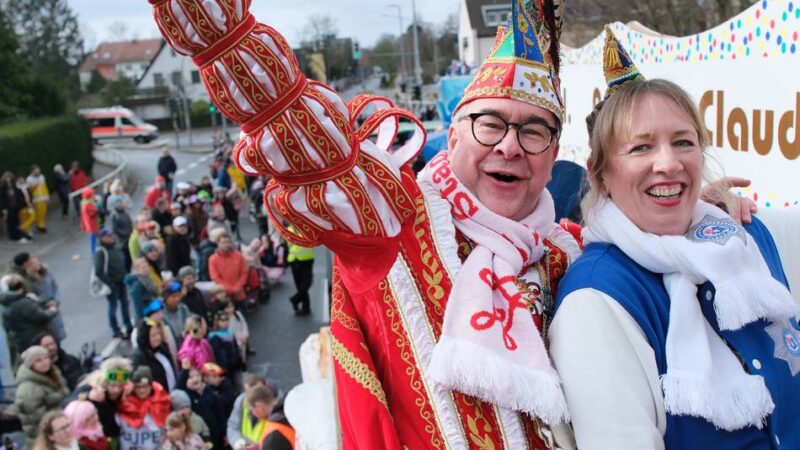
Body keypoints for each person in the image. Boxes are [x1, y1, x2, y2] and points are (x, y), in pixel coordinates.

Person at [147, 1, 581, 447]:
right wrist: (224, 37)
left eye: (534, 131)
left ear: (553, 157)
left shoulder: (574, 254)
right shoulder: (397, 217)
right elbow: (308, 146)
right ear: (453, 138)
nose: (510, 146)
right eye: (490, 124)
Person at [549, 32, 800, 449]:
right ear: (599, 173)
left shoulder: (745, 237)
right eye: (640, 148)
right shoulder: (595, 301)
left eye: (683, 142)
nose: (668, 163)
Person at [14, 345, 70, 447]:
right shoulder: (28, 389)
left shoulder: (53, 373)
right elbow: (40, 420)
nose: (45, 362)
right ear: (31, 364)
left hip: (61, 429)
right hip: (45, 439)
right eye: (38, 360)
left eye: (46, 358)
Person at [0, 274, 58, 358]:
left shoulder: (6, 304)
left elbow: (6, 326)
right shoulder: (24, 303)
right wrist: (53, 310)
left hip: (21, 342)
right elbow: (42, 317)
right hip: (36, 339)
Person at [115, 366, 171, 450]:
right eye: (138, 387)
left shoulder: (162, 402)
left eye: (145, 386)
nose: (142, 390)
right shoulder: (124, 403)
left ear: (151, 386)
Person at [95, 229, 133, 339]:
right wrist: (110, 282)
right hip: (113, 284)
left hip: (121, 281)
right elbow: (99, 271)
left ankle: (128, 325)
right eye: (109, 236)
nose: (112, 237)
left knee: (125, 305)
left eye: (112, 235)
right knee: (113, 307)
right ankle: (115, 329)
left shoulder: (114, 248)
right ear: (102, 238)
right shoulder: (101, 251)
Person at [227, 372, 270, 450]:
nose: (251, 398)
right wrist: (237, 442)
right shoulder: (241, 401)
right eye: (248, 393)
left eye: (256, 393)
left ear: (266, 386)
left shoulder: (276, 407)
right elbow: (233, 426)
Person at [132, 318, 177, 391]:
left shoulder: (162, 349)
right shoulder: (139, 358)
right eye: (153, 335)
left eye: (158, 334)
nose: (158, 338)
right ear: (145, 336)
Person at [208, 233, 248, 312]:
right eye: (223, 242)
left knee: (242, 317)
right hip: (224, 295)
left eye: (228, 242)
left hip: (239, 293)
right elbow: (215, 277)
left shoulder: (239, 256)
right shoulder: (213, 259)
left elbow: (244, 273)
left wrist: (238, 287)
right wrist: (231, 289)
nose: (226, 245)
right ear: (218, 243)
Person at [246, 386, 293, 450]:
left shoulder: (272, 435)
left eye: (252, 410)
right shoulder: (291, 411)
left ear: (259, 406)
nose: (253, 414)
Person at [285, 227, 314, 316]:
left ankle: (296, 299)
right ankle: (305, 307)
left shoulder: (306, 227)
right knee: (299, 285)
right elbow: (287, 244)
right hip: (294, 260)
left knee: (307, 283)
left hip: (307, 259)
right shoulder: (289, 229)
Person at [0, 172, 33, 242]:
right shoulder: (3, 189)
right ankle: (12, 236)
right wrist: (3, 208)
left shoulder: (15, 187)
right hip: (8, 208)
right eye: (7, 179)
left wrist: (23, 204)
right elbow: (2, 199)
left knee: (16, 222)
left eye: (9, 179)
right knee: (10, 223)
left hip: (16, 208)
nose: (8, 181)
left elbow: (20, 196)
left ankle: (19, 235)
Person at [125, 257, 159, 322]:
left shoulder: (147, 278)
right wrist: (142, 321)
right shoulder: (137, 285)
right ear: (137, 270)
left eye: (146, 266)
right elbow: (138, 307)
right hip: (146, 315)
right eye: (142, 268)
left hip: (152, 311)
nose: (145, 269)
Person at [108, 195, 134, 271]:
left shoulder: (125, 212)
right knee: (125, 260)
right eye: (119, 202)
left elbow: (129, 222)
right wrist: (125, 233)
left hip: (129, 239)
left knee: (131, 258)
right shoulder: (114, 215)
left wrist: (131, 231)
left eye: (121, 202)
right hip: (121, 242)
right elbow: (114, 229)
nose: (121, 203)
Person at [162, 280, 190, 347]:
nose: (177, 299)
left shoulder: (183, 309)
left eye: (178, 296)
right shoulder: (160, 313)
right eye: (173, 297)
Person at [25, 164, 50, 234]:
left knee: (43, 212)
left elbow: (45, 187)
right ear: (32, 171)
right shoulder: (29, 179)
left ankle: (41, 224)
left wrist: (47, 196)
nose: (37, 171)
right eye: (35, 170)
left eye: (38, 170)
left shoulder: (42, 177)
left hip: (43, 198)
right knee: (38, 213)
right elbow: (29, 190)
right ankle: (40, 226)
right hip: (36, 199)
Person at [80, 188, 101, 255]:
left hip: (90, 225)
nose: (93, 195)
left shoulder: (84, 203)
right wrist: (97, 206)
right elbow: (94, 212)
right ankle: (93, 252)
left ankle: (95, 250)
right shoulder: (88, 205)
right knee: (93, 239)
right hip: (92, 225)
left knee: (95, 237)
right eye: (92, 194)